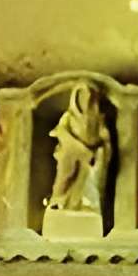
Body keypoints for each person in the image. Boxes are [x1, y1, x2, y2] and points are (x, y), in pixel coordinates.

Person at [46, 83, 111, 222]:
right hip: (70, 155)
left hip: (91, 159)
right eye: (82, 96)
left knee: (89, 182)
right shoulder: (69, 117)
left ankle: (85, 206)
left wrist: (101, 150)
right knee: (65, 178)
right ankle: (58, 203)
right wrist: (79, 148)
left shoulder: (97, 118)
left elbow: (105, 138)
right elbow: (61, 131)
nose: (85, 100)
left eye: (89, 97)